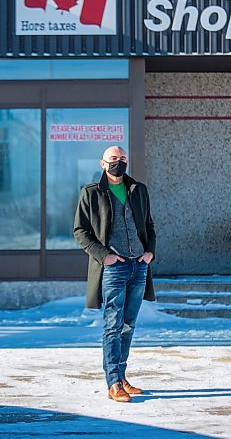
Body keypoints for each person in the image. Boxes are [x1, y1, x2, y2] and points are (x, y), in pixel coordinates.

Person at [73, 145, 156, 402]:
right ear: (102, 163)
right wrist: (103, 256)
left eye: (122, 158)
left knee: (128, 325)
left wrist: (149, 252)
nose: (118, 162)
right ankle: (113, 383)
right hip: (114, 268)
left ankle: (121, 376)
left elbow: (149, 225)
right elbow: (80, 231)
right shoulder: (91, 193)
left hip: (138, 266)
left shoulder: (138, 190)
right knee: (113, 324)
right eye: (113, 159)